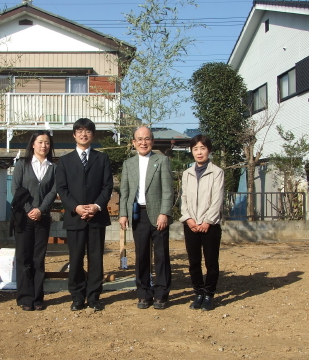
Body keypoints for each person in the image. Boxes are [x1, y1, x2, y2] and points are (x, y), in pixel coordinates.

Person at [56, 118, 113, 311]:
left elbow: (107, 186)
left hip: (97, 217)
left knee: (96, 258)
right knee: (76, 258)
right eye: (79, 130)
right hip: (75, 217)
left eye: (87, 131)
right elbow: (62, 189)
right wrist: (76, 207)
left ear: (93, 135)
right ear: (74, 134)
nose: (83, 134)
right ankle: (77, 296)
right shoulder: (64, 161)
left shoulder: (102, 158)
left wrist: (96, 206)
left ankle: (94, 296)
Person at [119, 126, 173, 310]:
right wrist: (123, 214)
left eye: (147, 138)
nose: (143, 142)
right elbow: (124, 191)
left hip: (158, 214)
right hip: (137, 214)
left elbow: (168, 190)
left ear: (153, 141)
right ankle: (143, 293)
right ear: (133, 142)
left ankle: (161, 294)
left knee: (161, 255)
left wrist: (164, 213)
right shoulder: (129, 164)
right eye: (139, 139)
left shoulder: (162, 160)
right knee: (141, 255)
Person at [11, 130, 57, 311]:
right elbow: (16, 188)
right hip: (23, 218)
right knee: (24, 258)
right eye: (40, 142)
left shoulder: (53, 167)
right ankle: (25, 298)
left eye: (47, 143)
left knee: (38, 259)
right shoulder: (22, 164)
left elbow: (53, 191)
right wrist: (30, 209)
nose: (44, 146)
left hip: (43, 219)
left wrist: (41, 209)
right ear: (33, 144)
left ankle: (38, 298)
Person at [179, 134, 224, 311]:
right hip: (191, 224)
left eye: (203, 148)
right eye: (196, 149)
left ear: (209, 151)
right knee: (194, 262)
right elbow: (183, 198)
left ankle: (209, 294)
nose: (199, 152)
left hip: (210, 226)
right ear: (191, 151)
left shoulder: (217, 172)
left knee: (211, 262)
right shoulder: (187, 173)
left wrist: (207, 221)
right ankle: (198, 292)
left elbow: (217, 199)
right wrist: (188, 219)